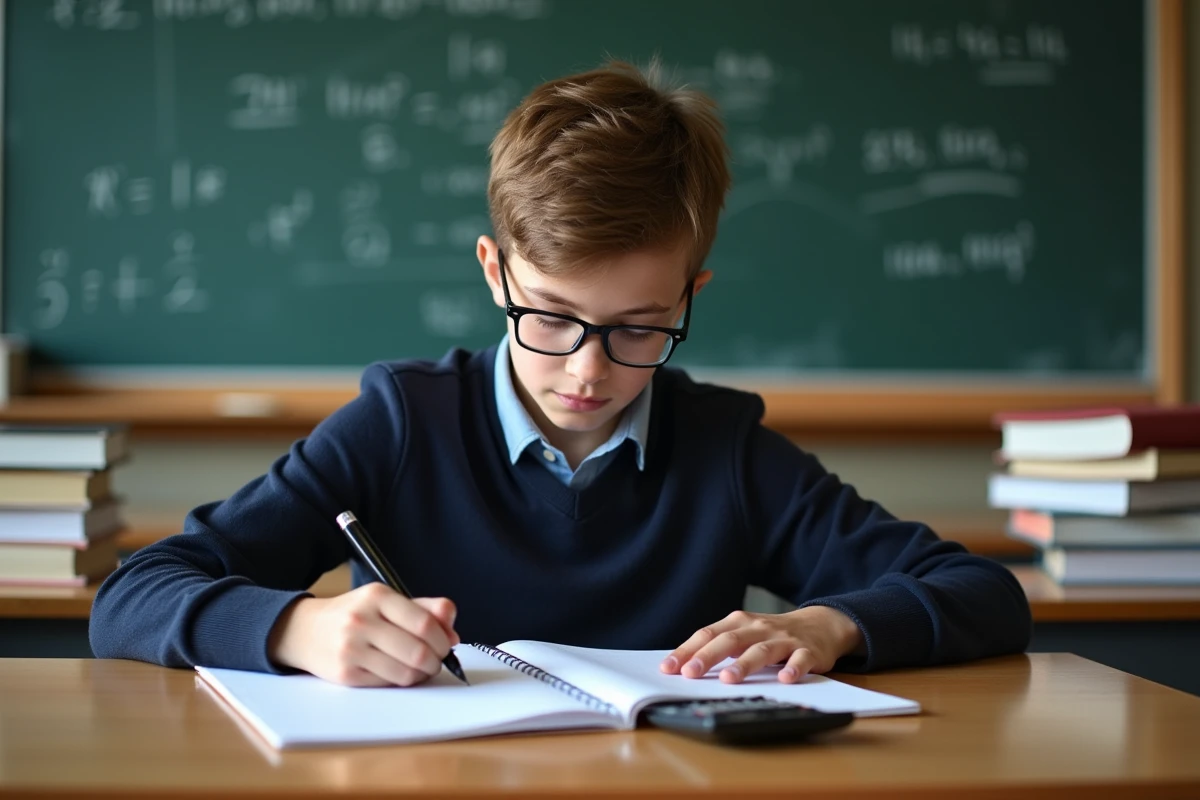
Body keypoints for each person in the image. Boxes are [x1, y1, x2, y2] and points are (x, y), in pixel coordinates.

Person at [90, 60, 1031, 688]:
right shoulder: (401, 424)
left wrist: (831, 627)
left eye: (639, 329)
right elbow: (132, 596)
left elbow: (982, 593)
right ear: (495, 273)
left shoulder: (727, 452)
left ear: (690, 295)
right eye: (549, 318)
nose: (587, 371)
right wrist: (298, 629)